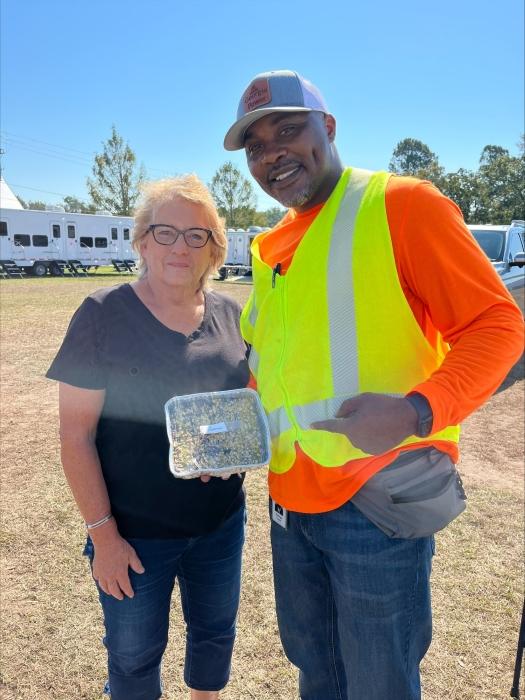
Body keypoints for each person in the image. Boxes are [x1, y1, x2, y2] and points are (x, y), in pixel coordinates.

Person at [223, 70, 524, 699]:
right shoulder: (270, 246)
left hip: (374, 501)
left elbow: (497, 325)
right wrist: (232, 435)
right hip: (289, 501)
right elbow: (273, 365)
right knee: (317, 671)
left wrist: (420, 411)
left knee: (379, 681)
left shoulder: (402, 205)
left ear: (326, 129)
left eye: (287, 129)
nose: (271, 153)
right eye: (255, 146)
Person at [46, 175, 250, 700]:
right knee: (134, 656)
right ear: (141, 242)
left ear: (214, 249)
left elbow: (244, 408)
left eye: (197, 235)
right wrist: (103, 535)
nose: (180, 246)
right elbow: (75, 436)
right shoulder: (101, 314)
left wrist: (237, 448)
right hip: (133, 536)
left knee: (214, 636)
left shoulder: (234, 317)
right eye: (165, 232)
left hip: (220, 525)